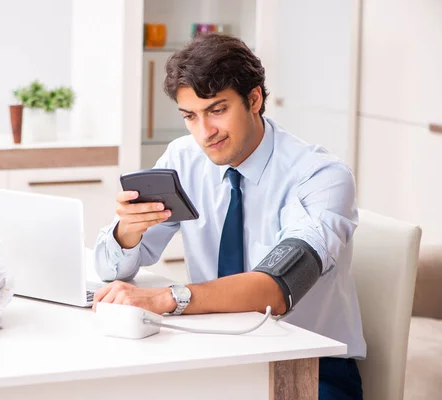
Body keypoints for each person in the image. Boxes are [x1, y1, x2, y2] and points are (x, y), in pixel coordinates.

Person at [92, 32, 365, 399]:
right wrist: (127, 232)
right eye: (190, 116)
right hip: (213, 350)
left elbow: (279, 286)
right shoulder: (183, 159)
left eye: (217, 110)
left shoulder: (320, 176)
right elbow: (113, 269)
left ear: (254, 99)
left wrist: (166, 298)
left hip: (308, 365)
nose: (204, 133)